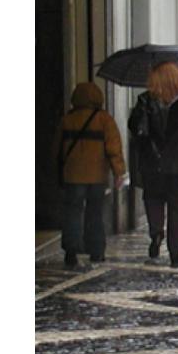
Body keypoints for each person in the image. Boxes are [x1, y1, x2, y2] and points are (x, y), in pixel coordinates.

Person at [128, 61, 178, 268]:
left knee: (153, 199)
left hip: (152, 162)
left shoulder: (146, 100)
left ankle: (156, 233)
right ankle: (176, 252)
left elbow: (135, 128)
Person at [54, 82, 126, 268]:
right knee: (95, 213)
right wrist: (119, 172)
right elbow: (114, 149)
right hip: (97, 176)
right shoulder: (104, 120)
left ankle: (71, 251)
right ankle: (96, 251)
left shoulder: (67, 119)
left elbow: (57, 148)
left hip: (73, 176)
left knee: (72, 212)